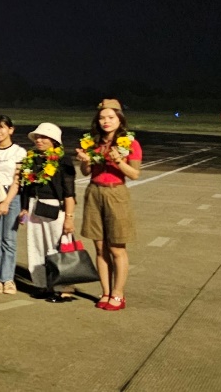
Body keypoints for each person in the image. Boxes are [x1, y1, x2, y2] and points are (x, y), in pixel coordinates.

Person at [74, 99, 141, 311]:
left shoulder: (130, 144)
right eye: (102, 117)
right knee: (100, 247)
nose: (106, 121)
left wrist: (119, 161)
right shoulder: (92, 142)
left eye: (111, 117)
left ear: (120, 119)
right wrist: (85, 160)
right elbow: (86, 172)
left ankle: (118, 294)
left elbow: (135, 174)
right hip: (94, 192)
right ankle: (105, 291)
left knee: (116, 248)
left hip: (116, 194)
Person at [20, 123, 79, 303]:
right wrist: (24, 208)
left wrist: (69, 218)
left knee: (58, 248)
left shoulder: (63, 161)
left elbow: (69, 193)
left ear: (54, 140)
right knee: (36, 246)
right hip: (35, 205)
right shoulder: (32, 159)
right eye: (37, 137)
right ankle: (42, 284)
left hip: (55, 207)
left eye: (44, 137)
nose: (39, 140)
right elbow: (26, 187)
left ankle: (64, 288)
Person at [0, 114, 27, 294]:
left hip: (11, 195)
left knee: (9, 240)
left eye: (2, 127)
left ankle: (8, 278)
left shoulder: (18, 151)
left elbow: (17, 180)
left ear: (10, 129)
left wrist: (7, 202)